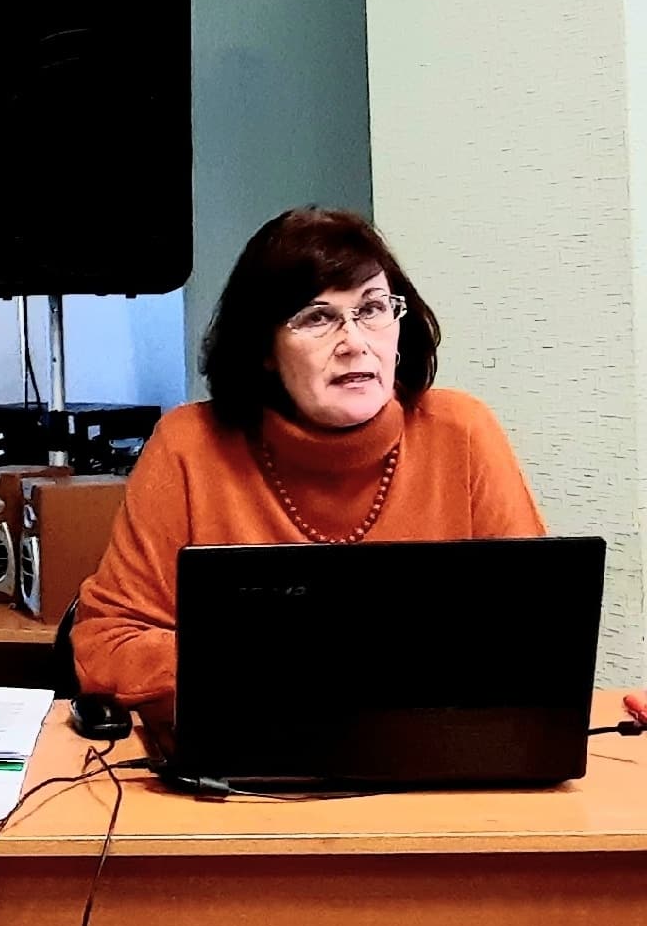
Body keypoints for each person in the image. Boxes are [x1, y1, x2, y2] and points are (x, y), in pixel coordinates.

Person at [71, 207, 546, 721]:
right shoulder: (189, 445)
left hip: (434, 749)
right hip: (249, 752)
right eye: (317, 318)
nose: (355, 343)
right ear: (264, 349)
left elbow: (539, 633)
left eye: (372, 309)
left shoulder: (462, 432)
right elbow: (107, 643)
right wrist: (289, 671)